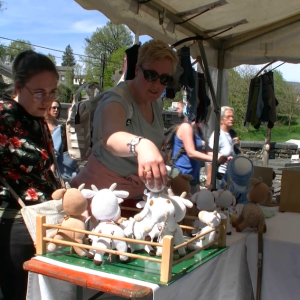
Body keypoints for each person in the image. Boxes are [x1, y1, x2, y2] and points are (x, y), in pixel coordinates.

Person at [71, 39, 178, 209]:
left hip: (136, 199)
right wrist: (142, 145)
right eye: (151, 75)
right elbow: (111, 136)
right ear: (137, 69)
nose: (157, 84)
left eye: (165, 79)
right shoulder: (117, 100)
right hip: (100, 200)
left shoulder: (156, 103)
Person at [0, 50, 60, 300]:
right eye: (39, 92)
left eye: (53, 91)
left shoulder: (36, 118)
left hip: (43, 219)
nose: (47, 100)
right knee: (18, 293)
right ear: (18, 86)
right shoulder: (4, 116)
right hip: (15, 222)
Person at [170, 104, 227, 193]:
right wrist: (215, 159)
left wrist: (223, 156)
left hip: (193, 178)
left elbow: (208, 151)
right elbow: (191, 152)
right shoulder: (186, 127)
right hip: (181, 176)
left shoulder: (198, 130)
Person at [206, 106, 239, 189]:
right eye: (228, 117)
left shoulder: (232, 134)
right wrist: (209, 178)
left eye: (232, 117)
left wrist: (237, 146)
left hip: (231, 177)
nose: (231, 119)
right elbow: (209, 157)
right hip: (220, 177)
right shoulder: (217, 135)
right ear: (221, 120)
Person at [45, 101, 78, 182]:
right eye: (54, 108)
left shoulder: (59, 126)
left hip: (70, 171)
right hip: (59, 170)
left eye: (58, 108)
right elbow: (54, 152)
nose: (56, 110)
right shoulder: (44, 124)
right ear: (48, 109)